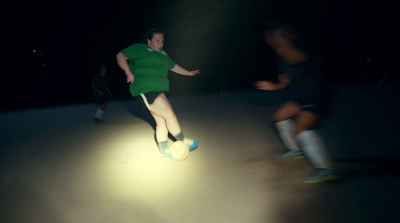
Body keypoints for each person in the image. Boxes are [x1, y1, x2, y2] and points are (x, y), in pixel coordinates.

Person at [254, 20, 337, 183]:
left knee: (301, 129)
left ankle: (325, 169)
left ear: (290, 37)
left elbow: (296, 58)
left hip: (318, 95)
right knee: (280, 116)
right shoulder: (282, 58)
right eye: (273, 36)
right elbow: (284, 83)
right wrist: (273, 87)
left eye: (279, 36)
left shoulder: (301, 52)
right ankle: (296, 150)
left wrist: (280, 41)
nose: (275, 40)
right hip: (302, 96)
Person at [116, 28, 200, 158]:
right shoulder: (139, 48)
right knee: (170, 114)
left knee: (161, 121)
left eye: (162, 41)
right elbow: (120, 55)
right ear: (149, 41)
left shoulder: (163, 54)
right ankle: (183, 140)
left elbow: (173, 66)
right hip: (144, 89)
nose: (160, 44)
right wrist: (128, 71)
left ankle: (164, 150)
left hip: (158, 90)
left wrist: (188, 72)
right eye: (157, 40)